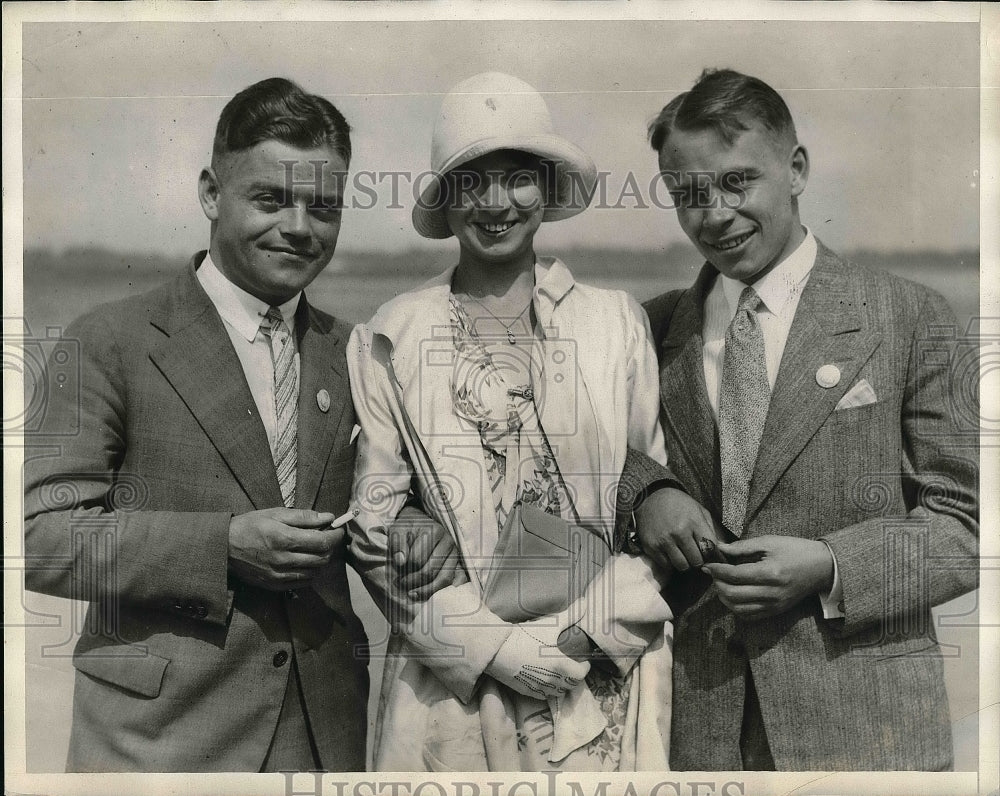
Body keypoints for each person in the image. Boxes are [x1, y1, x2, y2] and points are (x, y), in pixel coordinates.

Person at [629, 68, 979, 770]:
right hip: (705, 730)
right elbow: (595, 458)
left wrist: (829, 565)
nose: (715, 214)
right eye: (689, 194)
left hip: (871, 735)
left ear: (796, 169)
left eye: (737, 182)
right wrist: (646, 493)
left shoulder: (908, 317)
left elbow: (964, 530)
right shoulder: (652, 328)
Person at [24, 77, 372, 772]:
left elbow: (388, 504)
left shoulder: (356, 350)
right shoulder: (109, 339)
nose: (300, 227)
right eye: (270, 198)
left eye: (323, 206)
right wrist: (221, 547)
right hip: (157, 744)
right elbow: (37, 537)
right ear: (212, 193)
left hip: (323, 736)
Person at [346, 72, 674, 771]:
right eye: (470, 181)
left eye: (518, 177)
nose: (495, 203)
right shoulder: (390, 335)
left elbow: (647, 505)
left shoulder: (615, 323)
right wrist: (495, 650)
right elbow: (373, 532)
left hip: (595, 672)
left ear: (547, 189)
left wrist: (579, 644)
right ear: (445, 196)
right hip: (451, 691)